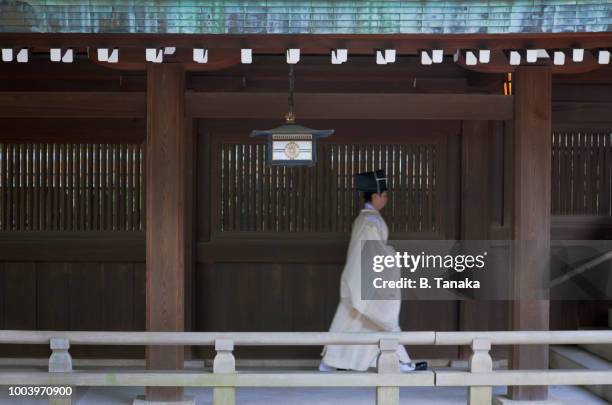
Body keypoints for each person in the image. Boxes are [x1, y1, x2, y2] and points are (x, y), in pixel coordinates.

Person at [319, 169, 426, 372]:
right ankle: (398, 362)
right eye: (384, 195)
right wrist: (392, 256)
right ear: (375, 196)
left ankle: (396, 361)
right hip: (366, 278)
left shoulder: (368, 219)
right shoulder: (369, 221)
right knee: (380, 318)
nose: (386, 199)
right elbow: (372, 250)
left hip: (364, 277)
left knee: (358, 322)